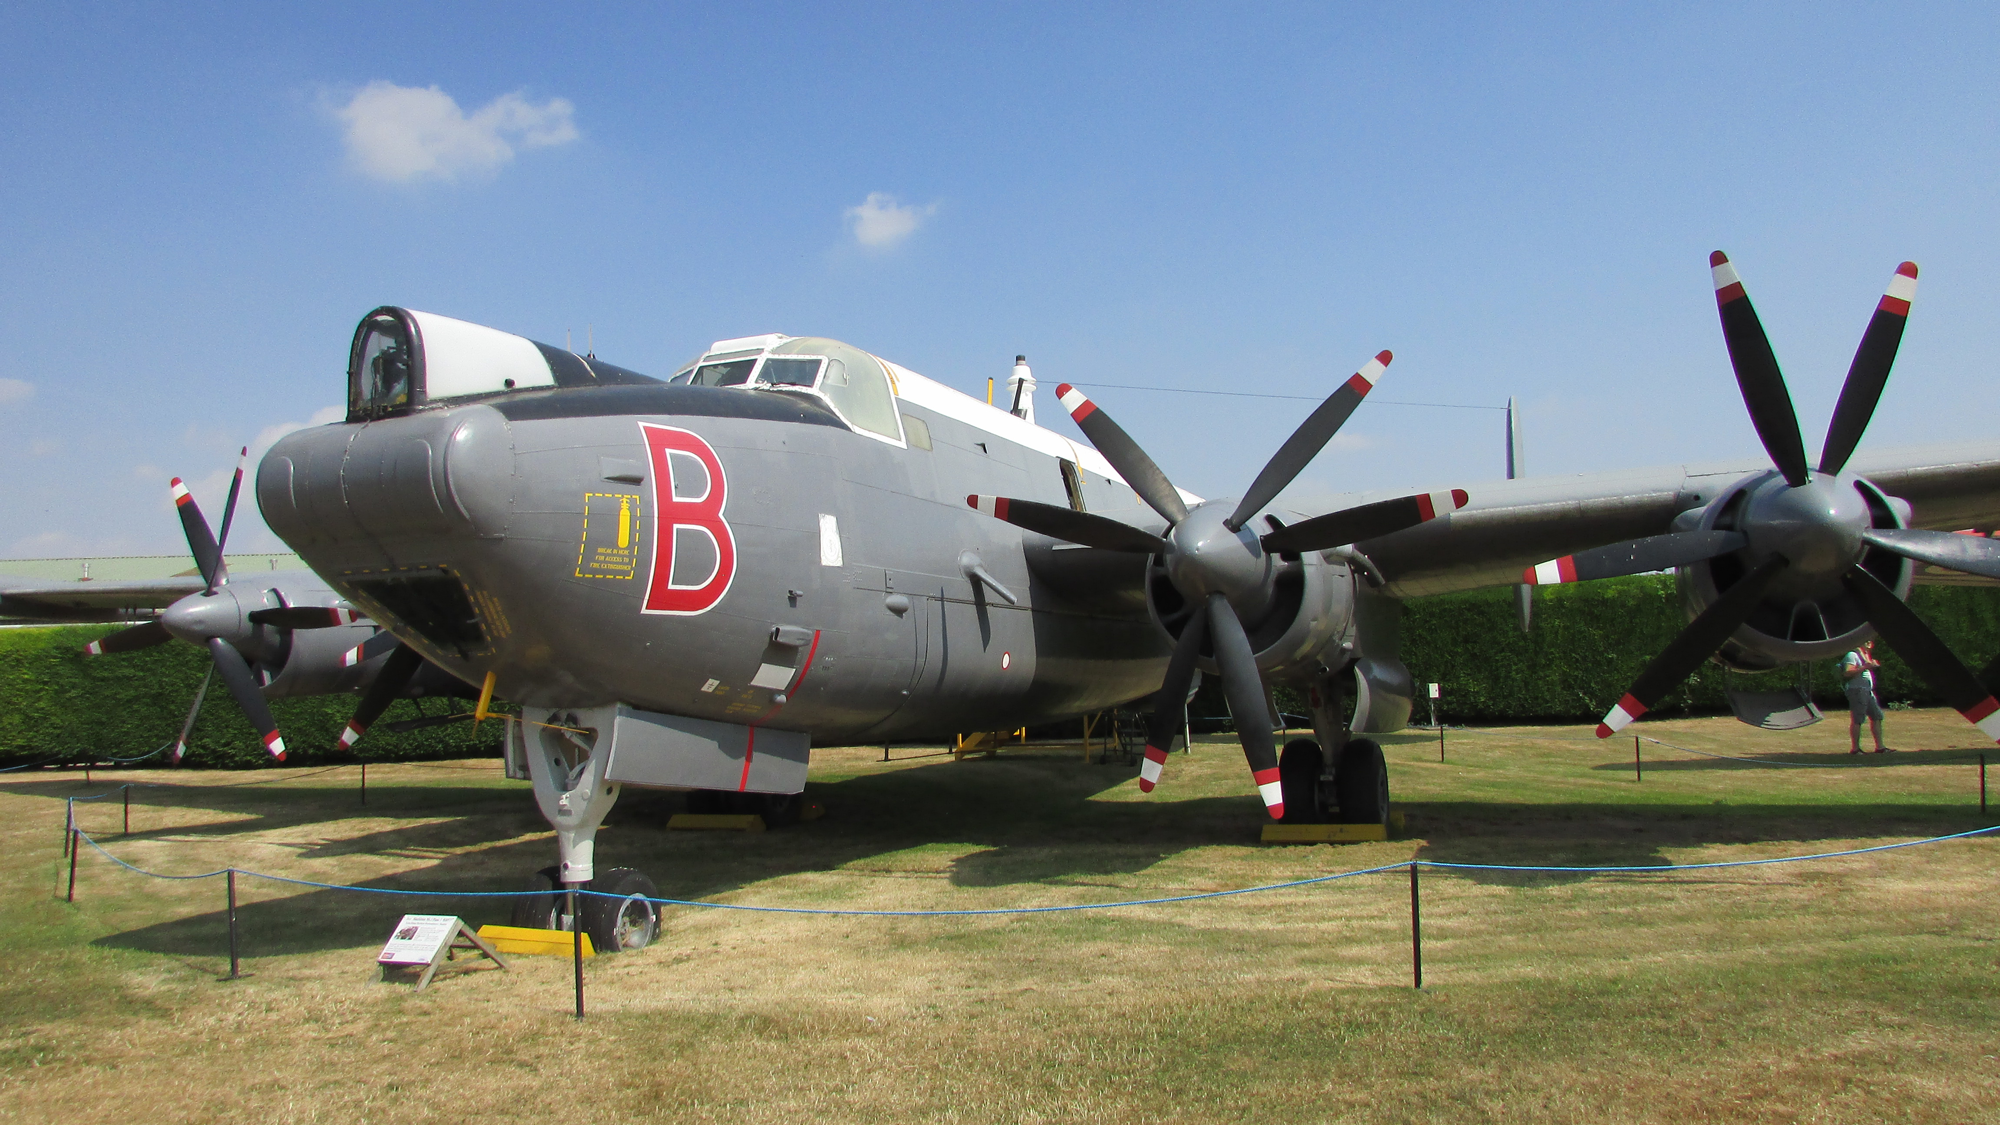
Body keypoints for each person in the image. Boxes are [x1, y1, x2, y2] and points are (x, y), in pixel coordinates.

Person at [1840, 641, 1891, 754]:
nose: (1869, 642)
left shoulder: (1865, 655)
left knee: (1877, 716)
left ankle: (1880, 747)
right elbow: (1847, 672)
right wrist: (1864, 667)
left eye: (1870, 640)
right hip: (1857, 690)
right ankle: (1855, 749)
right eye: (1865, 640)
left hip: (1867, 691)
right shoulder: (1852, 655)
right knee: (1858, 719)